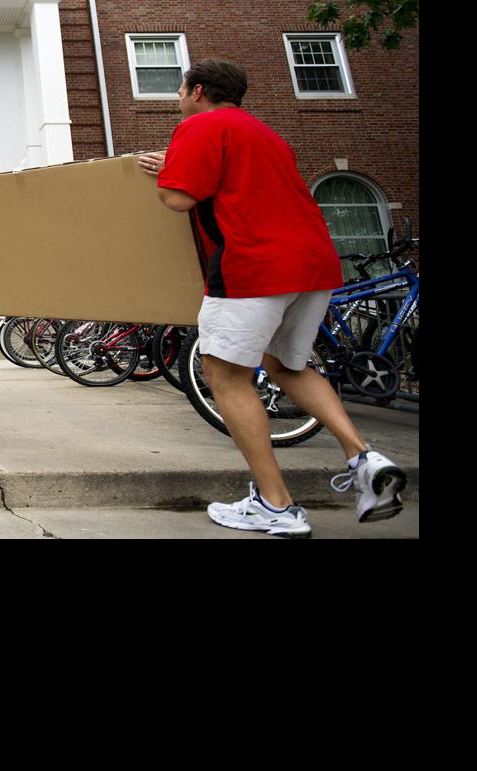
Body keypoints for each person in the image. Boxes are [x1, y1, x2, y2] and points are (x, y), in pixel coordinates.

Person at [138, 59, 405, 537]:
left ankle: (275, 504)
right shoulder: (266, 134)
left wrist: (167, 175)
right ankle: (364, 457)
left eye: (180, 90)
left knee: (225, 376)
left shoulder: (199, 125)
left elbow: (179, 198)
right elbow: (237, 183)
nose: (178, 98)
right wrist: (178, 163)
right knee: (288, 366)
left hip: (253, 264)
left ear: (197, 91)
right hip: (312, 262)